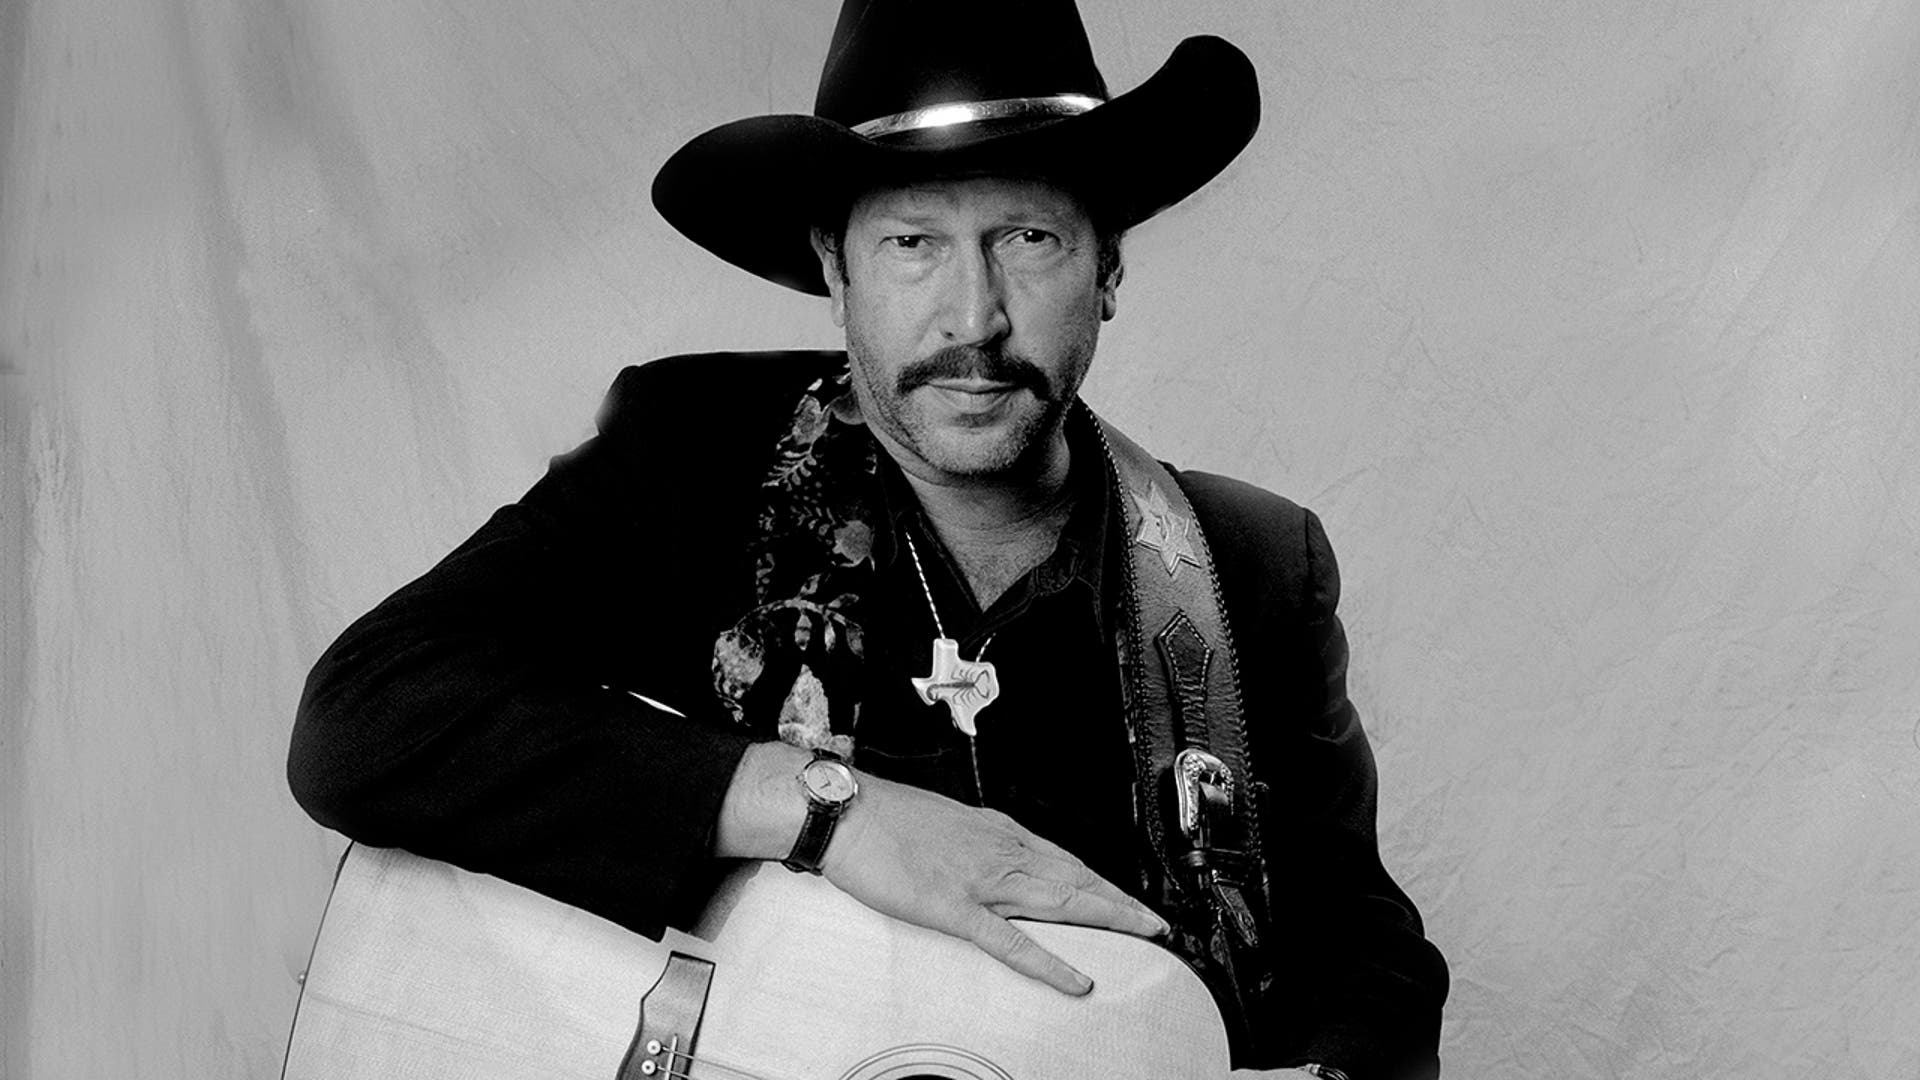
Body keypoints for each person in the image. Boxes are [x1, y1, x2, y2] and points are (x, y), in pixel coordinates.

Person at [288, 1, 1449, 1076]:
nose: (974, 318)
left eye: (1030, 239)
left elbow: (1364, 949)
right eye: (911, 245)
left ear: (1108, 268)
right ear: (834, 271)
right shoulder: (692, 456)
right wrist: (822, 809)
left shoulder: (1247, 565)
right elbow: (364, 719)